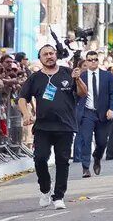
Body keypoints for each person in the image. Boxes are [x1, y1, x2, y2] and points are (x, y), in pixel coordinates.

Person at [16, 43, 85, 209]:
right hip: (43, 126)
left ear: (56, 55)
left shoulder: (67, 73)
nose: (49, 56)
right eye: (45, 54)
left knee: (62, 161)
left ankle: (58, 196)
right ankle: (45, 189)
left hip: (65, 126)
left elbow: (82, 93)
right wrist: (26, 113)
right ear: (40, 59)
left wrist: (78, 78)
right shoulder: (35, 78)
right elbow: (22, 98)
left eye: (51, 53)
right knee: (40, 158)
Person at [72, 51, 113, 178]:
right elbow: (75, 93)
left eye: (95, 59)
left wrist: (111, 109)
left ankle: (97, 157)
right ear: (86, 61)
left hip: (103, 113)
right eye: (90, 60)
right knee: (86, 140)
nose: (93, 62)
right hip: (87, 112)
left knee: (102, 142)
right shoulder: (82, 76)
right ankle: (85, 168)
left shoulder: (107, 76)